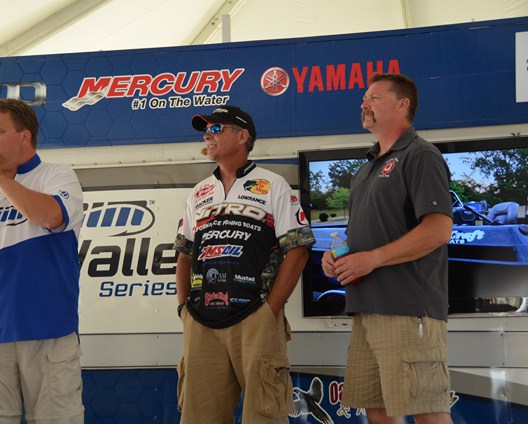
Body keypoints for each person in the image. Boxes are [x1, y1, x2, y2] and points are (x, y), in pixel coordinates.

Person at [321, 74, 454, 424]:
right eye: (364, 97)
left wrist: (373, 259)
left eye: (374, 97)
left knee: (427, 411)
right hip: (365, 309)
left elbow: (439, 229)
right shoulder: (365, 169)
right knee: (377, 411)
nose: (363, 103)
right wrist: (336, 255)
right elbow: (362, 233)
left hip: (408, 308)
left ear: (401, 104)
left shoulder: (421, 155)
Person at [0, 98, 85, 423]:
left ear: (24, 137)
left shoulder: (57, 176)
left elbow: (52, 216)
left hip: (49, 331)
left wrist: (1, 180)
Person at [174, 105, 315, 423]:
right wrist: (184, 309)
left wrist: (270, 310)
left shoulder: (273, 184)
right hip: (201, 321)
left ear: (242, 136)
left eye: (216, 129)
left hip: (255, 316)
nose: (207, 135)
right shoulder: (199, 192)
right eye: (205, 131)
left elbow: (298, 249)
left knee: (263, 416)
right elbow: (185, 254)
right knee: (198, 418)